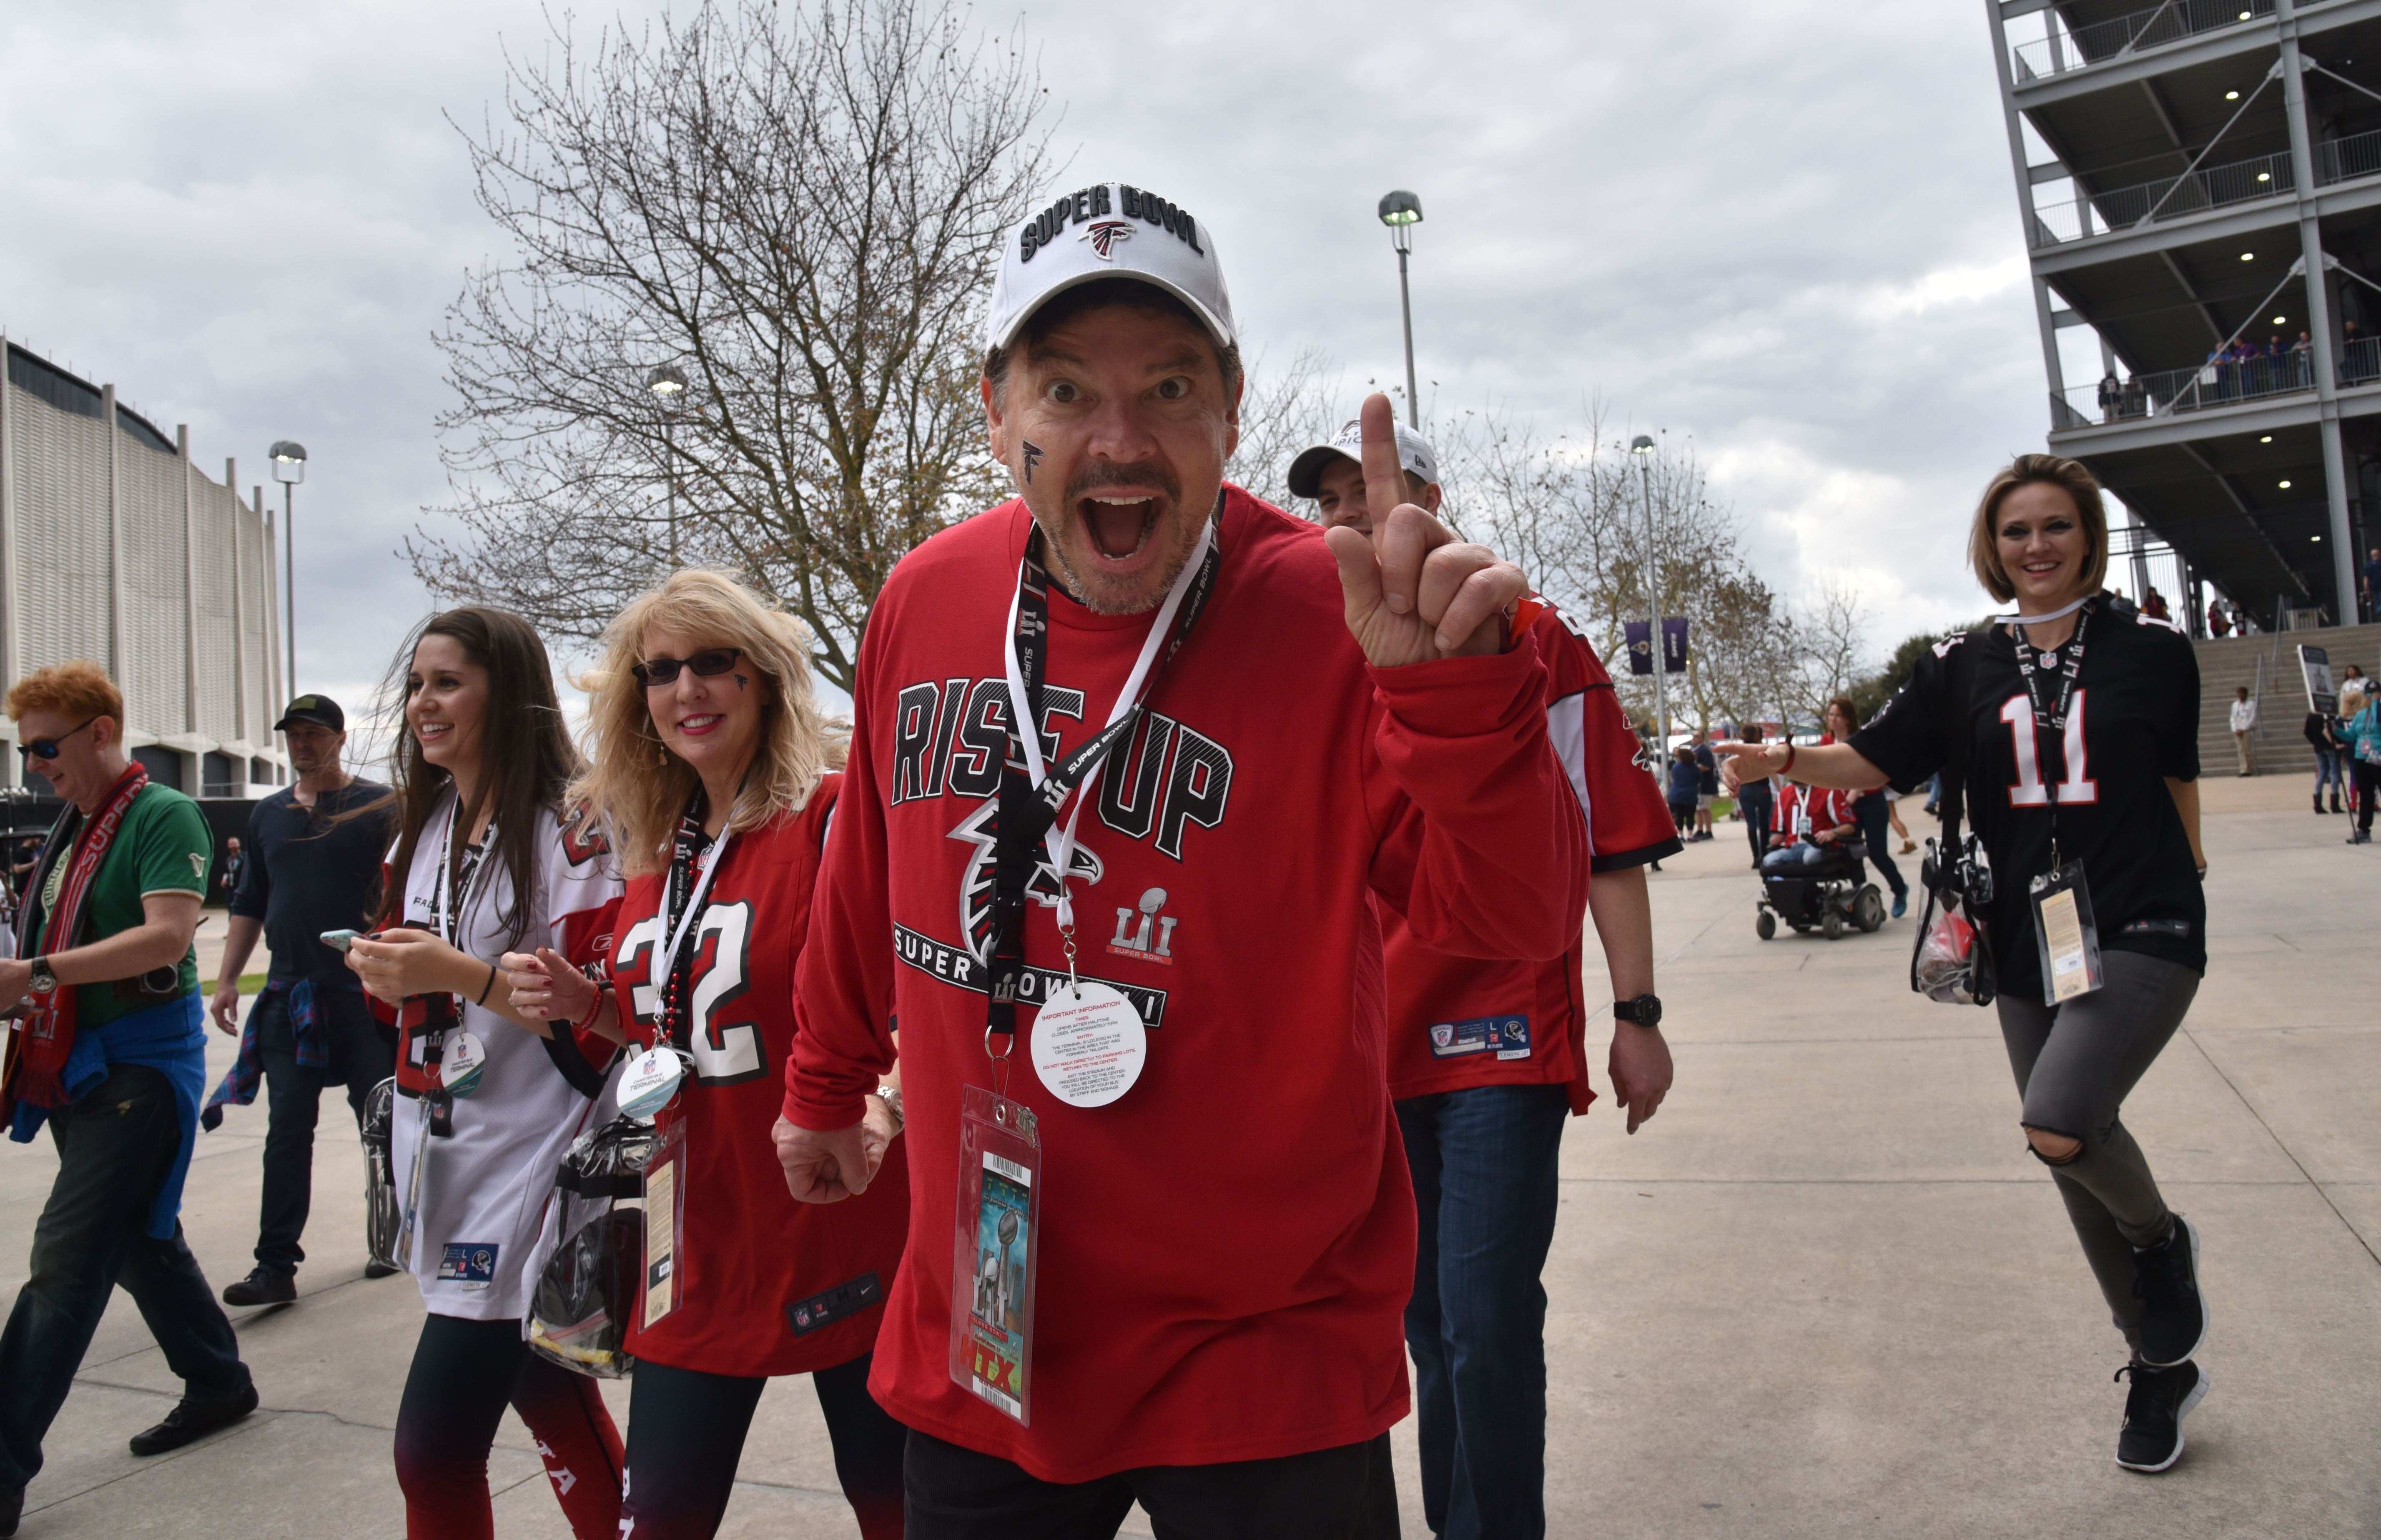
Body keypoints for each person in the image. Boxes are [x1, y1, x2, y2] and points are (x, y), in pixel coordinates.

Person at [774, 180, 1588, 1536]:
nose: (1116, 440)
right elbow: (873, 870)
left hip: (1261, 1336)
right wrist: (821, 1081)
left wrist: (1463, 713)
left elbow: (1511, 917)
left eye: (1166, 387)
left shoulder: (1338, 611)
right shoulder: (922, 598)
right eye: (1064, 391)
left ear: (1232, 409)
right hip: (992, 1307)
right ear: (995, 412)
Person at [1716, 453, 2212, 1474]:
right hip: (2025, 930)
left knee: (2058, 1115)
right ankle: (2154, 1364)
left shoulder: (2153, 647)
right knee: (2065, 1155)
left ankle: (2159, 1239)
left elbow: (2173, 773)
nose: (2034, 546)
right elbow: (1877, 759)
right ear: (1990, 548)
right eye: (2013, 530)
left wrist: (2191, 867)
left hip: (2143, 920)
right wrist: (1785, 761)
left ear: (2086, 535)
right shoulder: (1960, 661)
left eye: (2053, 526)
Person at [1294, 417, 1677, 1540]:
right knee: (1423, 1327)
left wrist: (1636, 1013)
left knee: (1485, 1318)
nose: (1350, 515)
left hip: (1498, 1034)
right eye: (1327, 501)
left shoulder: (1532, 638)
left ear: (1426, 490)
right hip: (1368, 1048)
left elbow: (1605, 839)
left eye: (1370, 490)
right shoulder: (1318, 646)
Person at [500, 570, 910, 1539]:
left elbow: (917, 1002)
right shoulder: (661, 850)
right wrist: (587, 1004)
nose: (686, 688)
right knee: (663, 1514)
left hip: (838, 1213)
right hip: (692, 1234)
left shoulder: (834, 814)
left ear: (761, 678)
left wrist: (883, 1105)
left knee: (896, 1507)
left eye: (712, 663)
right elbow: (680, 1031)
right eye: (661, 671)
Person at [344, 609, 627, 1540]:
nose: (424, 703)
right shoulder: (419, 830)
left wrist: (454, 971)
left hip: (529, 1162)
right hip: (445, 1163)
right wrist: (389, 969)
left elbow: (602, 1024)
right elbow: (425, 995)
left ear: (505, 694)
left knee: (432, 1449)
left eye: (448, 681)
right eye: (417, 683)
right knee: (553, 1405)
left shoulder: (573, 828)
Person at [0, 662, 257, 1535]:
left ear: (102, 729)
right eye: (24, 747)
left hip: (139, 1071)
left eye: (46, 744)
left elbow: (168, 933)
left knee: (66, 1259)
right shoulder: (77, 825)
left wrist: (33, 972)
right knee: (141, 1239)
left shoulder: (162, 813)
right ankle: (219, 1378)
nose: (35, 762)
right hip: (79, 1065)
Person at [201, 694, 399, 1303]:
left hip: (361, 995)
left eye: (313, 733)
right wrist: (231, 977)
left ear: (341, 738)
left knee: (383, 1124)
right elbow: (250, 903)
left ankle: (389, 1237)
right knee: (287, 1129)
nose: (301, 744)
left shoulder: (381, 806)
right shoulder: (267, 815)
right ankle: (275, 1266)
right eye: (292, 734)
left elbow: (405, 892)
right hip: (291, 998)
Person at [1826, 698, 1909, 918]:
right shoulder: (1827, 742)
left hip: (1870, 802)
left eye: (1838, 716)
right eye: (1830, 715)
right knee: (1853, 853)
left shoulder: (1860, 739)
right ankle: (1862, 900)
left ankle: (1900, 890)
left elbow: (1876, 771)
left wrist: (1856, 791)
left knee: (1877, 853)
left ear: (1848, 719)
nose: (1832, 720)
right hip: (1845, 807)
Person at [1760, 778, 1855, 872]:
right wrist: (1774, 839)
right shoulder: (1783, 794)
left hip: (1818, 846)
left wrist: (1833, 833)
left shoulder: (1828, 791)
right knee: (1769, 861)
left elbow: (1850, 826)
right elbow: (1778, 834)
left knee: (1810, 858)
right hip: (1793, 847)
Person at [2337, 682, 2381, 845]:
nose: (2371, 697)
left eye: (2375, 693)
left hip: (2378, 755)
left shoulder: (2379, 710)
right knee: (2366, 795)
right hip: (2362, 757)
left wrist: (2377, 703)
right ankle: (2364, 830)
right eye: (2369, 694)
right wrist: (2335, 730)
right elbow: (2350, 736)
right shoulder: (2361, 714)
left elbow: (2379, 722)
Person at [1734, 724, 1774, 869]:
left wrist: (1736, 787)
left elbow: (1736, 769)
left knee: (1751, 824)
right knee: (1764, 823)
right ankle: (1764, 854)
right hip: (1762, 787)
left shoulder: (1739, 751)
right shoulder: (1762, 749)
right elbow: (1771, 770)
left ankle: (1756, 857)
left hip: (1746, 788)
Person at [2306, 705, 2346, 816]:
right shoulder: (2328, 713)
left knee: (2322, 772)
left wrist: (2315, 742)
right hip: (2330, 746)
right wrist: (2337, 744)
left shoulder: (2312, 715)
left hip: (2318, 747)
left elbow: (2307, 732)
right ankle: (2334, 802)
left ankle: (2318, 802)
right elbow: (2333, 729)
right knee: (2334, 772)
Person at [1665, 743, 1699, 838]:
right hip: (1690, 794)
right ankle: (1690, 834)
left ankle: (1680, 834)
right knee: (1690, 816)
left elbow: (1673, 778)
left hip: (1677, 794)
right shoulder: (1695, 768)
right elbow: (1699, 780)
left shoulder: (1676, 767)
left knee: (1679, 815)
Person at [1691, 727, 1719, 840]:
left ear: (1702, 738)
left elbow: (1707, 767)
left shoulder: (1705, 751)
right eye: (1693, 736)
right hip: (1697, 785)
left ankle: (1709, 831)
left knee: (1705, 808)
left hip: (1705, 784)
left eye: (1697, 736)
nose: (1694, 738)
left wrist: (1692, 767)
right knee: (1698, 809)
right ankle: (1700, 830)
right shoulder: (1694, 750)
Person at [2229, 686, 2256, 776]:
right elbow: (2233, 718)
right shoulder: (2235, 705)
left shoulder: (2251, 704)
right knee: (2241, 750)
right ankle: (2243, 770)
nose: (2240, 695)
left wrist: (2244, 729)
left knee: (2247, 750)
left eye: (2242, 693)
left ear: (2246, 694)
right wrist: (2235, 729)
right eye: (2239, 693)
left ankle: (2249, 769)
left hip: (2246, 730)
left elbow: (2252, 717)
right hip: (2237, 730)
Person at [215, 836, 244, 906]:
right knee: (230, 906)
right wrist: (224, 879)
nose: (233, 845)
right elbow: (226, 871)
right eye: (231, 844)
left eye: (234, 843)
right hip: (231, 888)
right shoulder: (229, 859)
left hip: (241, 887)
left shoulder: (244, 857)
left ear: (239, 844)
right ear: (228, 846)